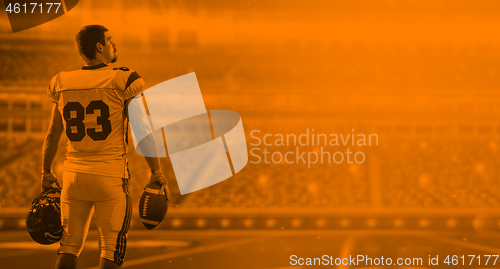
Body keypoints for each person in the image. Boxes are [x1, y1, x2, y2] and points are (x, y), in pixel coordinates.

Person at [40, 25, 170, 269]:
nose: (114, 44)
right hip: (110, 176)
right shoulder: (122, 78)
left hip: (73, 177)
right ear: (99, 46)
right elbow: (142, 130)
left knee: (68, 248)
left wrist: (46, 174)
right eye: (110, 40)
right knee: (111, 252)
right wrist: (157, 172)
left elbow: (52, 134)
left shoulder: (62, 81)